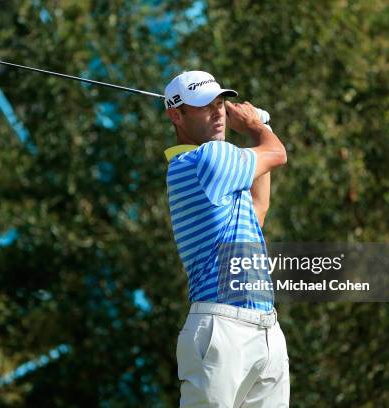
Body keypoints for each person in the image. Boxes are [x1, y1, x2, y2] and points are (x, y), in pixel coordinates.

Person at [163, 71, 289, 407]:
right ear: (176, 115)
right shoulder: (207, 158)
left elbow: (258, 209)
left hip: (265, 328)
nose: (218, 112)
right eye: (205, 106)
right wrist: (255, 126)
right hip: (221, 327)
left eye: (220, 102)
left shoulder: (219, 170)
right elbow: (276, 155)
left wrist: (263, 130)